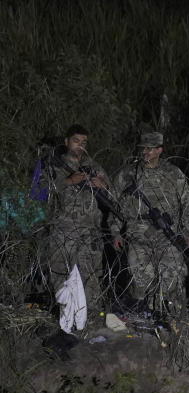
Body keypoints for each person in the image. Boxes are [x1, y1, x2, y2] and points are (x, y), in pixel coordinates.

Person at [37, 124, 114, 332]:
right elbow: (40, 193)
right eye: (76, 141)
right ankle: (63, 323)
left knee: (90, 278)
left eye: (84, 142)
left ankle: (91, 325)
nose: (80, 146)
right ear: (66, 142)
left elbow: (112, 193)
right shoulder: (53, 165)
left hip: (89, 233)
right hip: (63, 231)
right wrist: (69, 181)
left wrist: (102, 185)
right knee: (61, 276)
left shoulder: (94, 166)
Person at [111, 132, 189, 315]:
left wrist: (188, 232)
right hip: (138, 233)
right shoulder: (128, 174)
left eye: (149, 149)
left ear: (159, 150)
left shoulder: (173, 174)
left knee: (173, 275)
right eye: (143, 148)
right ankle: (142, 317)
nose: (145, 152)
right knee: (141, 279)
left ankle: (171, 319)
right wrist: (115, 231)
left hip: (168, 235)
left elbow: (186, 203)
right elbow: (117, 206)